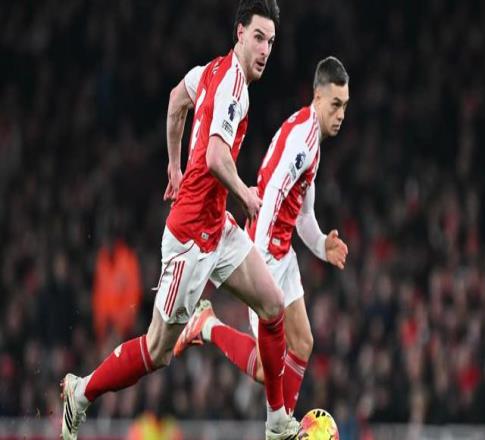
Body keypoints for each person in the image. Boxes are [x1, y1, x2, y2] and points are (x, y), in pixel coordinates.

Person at [60, 1, 300, 439]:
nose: (266, 49)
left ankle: (277, 422)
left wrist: (174, 165)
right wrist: (245, 192)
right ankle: (82, 392)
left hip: (216, 226)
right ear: (239, 33)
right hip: (191, 238)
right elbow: (215, 157)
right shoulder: (233, 87)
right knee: (158, 350)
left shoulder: (209, 71)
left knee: (272, 305)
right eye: (259, 37)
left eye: (271, 41)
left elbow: (176, 101)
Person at [174, 56, 350, 416]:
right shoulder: (302, 141)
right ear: (318, 97)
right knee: (267, 368)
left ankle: (284, 429)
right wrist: (255, 260)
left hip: (282, 252)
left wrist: (322, 245)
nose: (341, 114)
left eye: (345, 106)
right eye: (335, 104)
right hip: (266, 252)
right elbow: (270, 198)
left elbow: (303, 214)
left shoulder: (311, 139)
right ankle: (207, 325)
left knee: (303, 343)